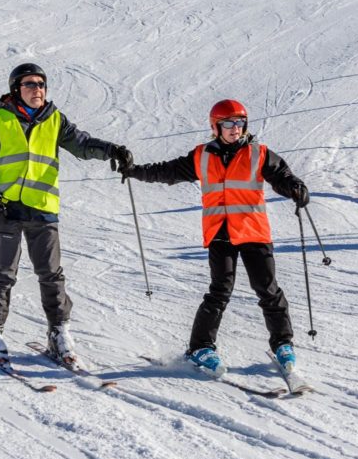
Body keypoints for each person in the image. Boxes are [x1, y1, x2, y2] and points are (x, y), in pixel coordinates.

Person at [117, 99, 309, 379]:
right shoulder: (201, 156)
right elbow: (168, 171)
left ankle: (282, 343)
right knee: (220, 290)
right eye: (228, 124)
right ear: (215, 127)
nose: (235, 129)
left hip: (253, 230)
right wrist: (135, 171)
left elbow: (282, 176)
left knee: (267, 289)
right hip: (220, 233)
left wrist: (295, 188)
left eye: (240, 123)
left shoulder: (260, 153)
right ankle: (200, 347)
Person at [0, 63, 133, 366]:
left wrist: (113, 150)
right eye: (30, 84)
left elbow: (83, 145)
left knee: (51, 274)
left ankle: (59, 332)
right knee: (4, 272)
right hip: (5, 208)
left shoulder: (55, 120)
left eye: (42, 84)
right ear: (16, 89)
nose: (38, 90)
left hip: (42, 208)